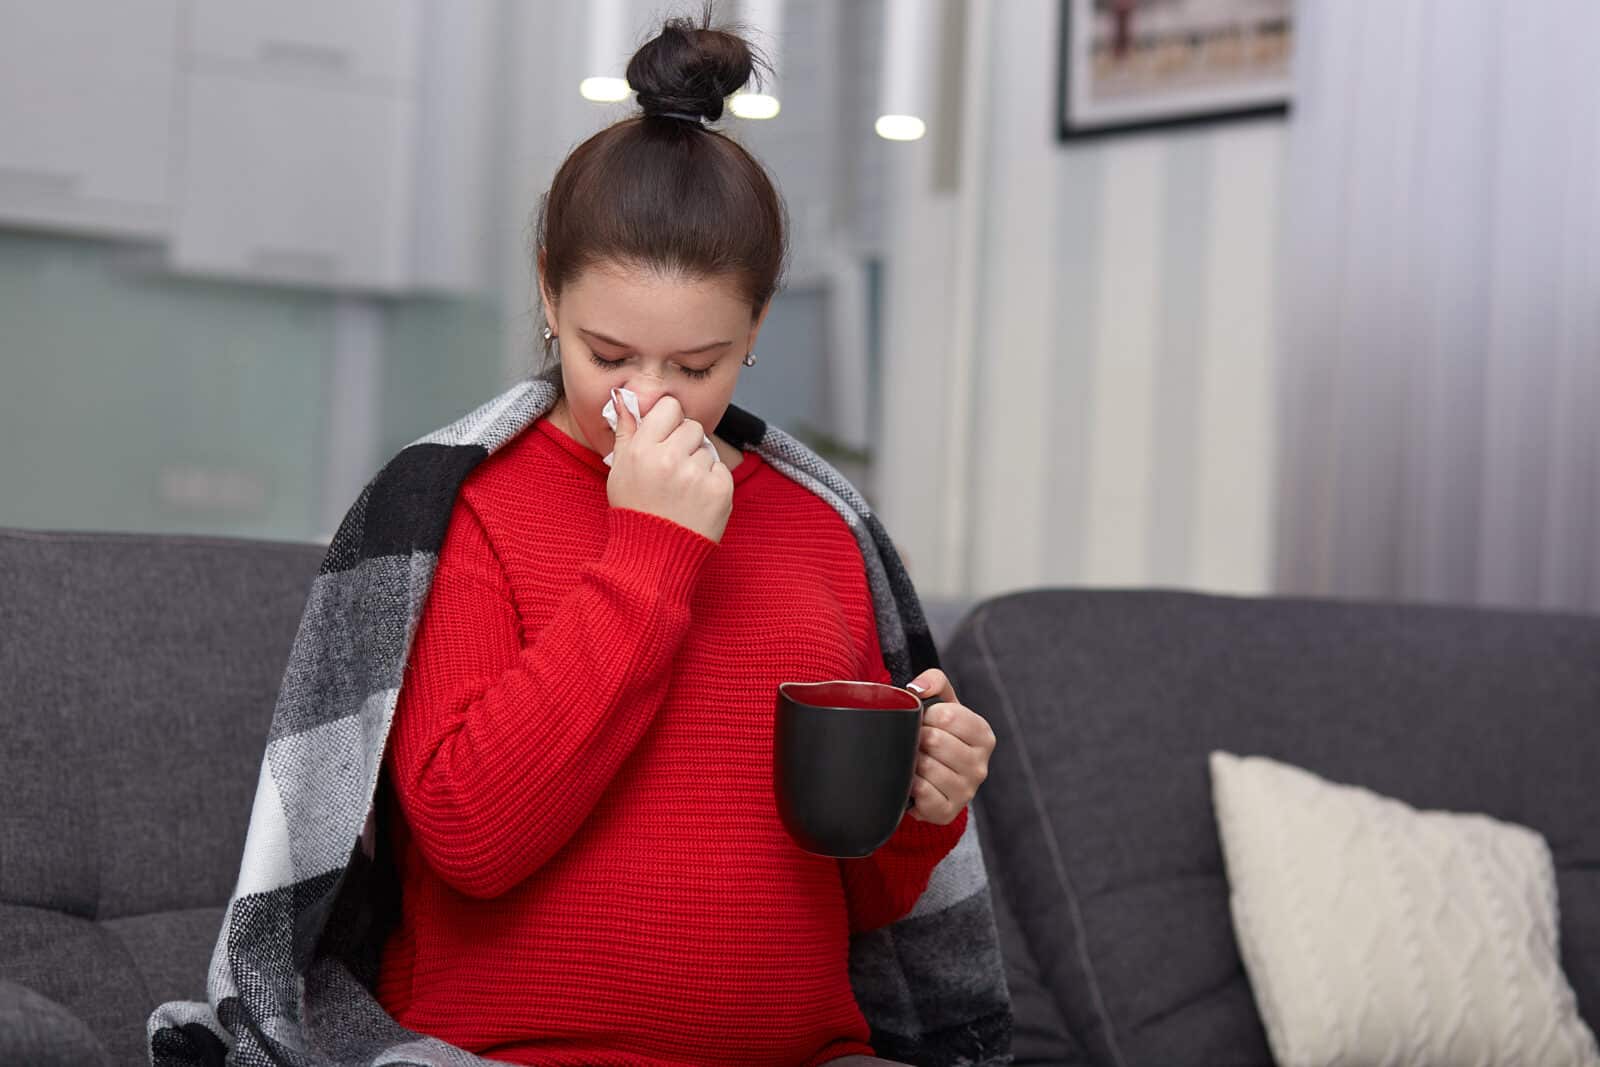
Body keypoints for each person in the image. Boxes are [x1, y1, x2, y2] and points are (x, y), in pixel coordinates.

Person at [372, 9, 997, 1066]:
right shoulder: (464, 508)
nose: (647, 399)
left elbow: (863, 890)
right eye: (607, 352)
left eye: (696, 365)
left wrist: (921, 805)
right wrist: (651, 552)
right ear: (546, 295)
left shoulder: (820, 525)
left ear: (755, 328)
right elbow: (471, 840)